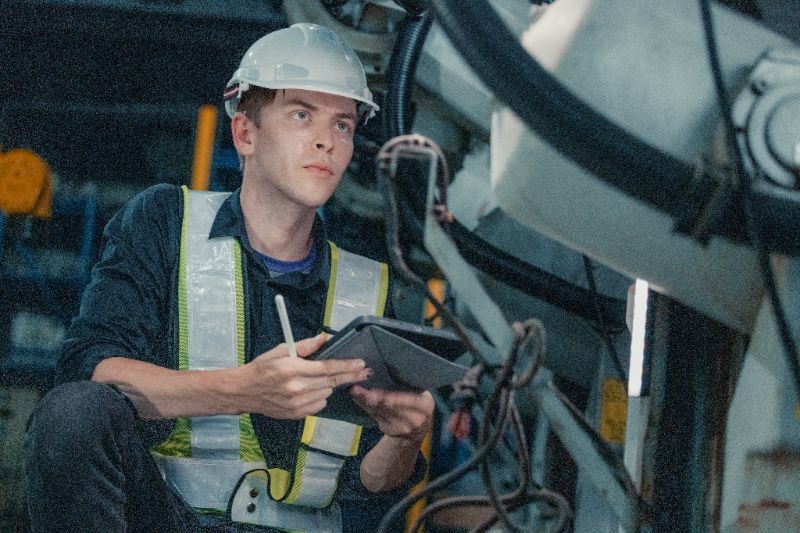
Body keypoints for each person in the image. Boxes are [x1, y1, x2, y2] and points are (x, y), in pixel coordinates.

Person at [24, 22, 433, 533]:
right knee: (73, 415)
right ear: (245, 133)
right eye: (301, 115)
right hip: (167, 518)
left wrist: (403, 437)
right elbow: (88, 371)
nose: (326, 142)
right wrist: (243, 390)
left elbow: (372, 485)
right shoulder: (164, 223)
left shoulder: (365, 286)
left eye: (343, 125)